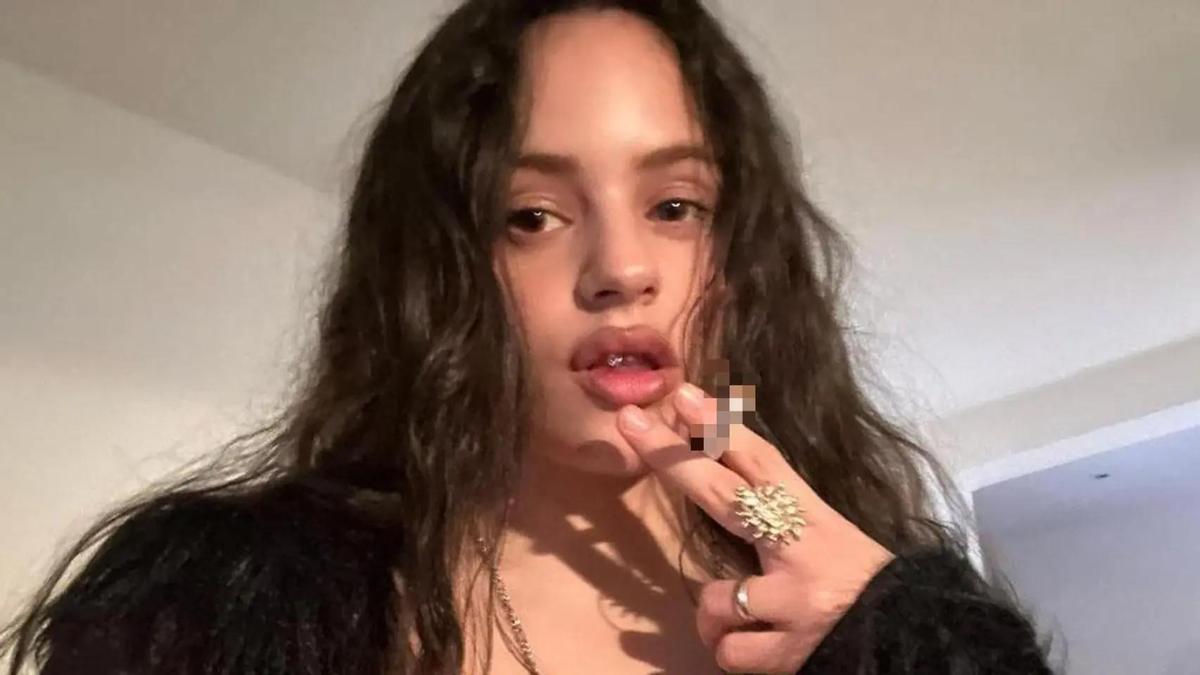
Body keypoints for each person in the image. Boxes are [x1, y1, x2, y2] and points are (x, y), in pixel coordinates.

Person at [1, 1, 1054, 673]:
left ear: (742, 257)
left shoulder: (882, 603)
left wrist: (908, 643)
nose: (621, 268)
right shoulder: (219, 607)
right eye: (533, 216)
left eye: (675, 206)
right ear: (438, 272)